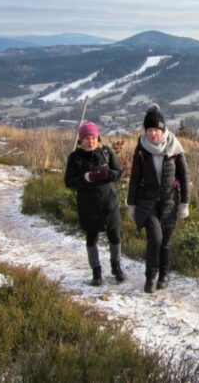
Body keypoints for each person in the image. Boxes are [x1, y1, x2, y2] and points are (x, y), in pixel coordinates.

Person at [127, 104, 190, 293]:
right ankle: (150, 277)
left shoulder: (175, 149)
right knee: (155, 238)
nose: (153, 134)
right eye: (149, 130)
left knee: (166, 241)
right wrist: (131, 204)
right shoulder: (141, 151)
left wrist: (185, 203)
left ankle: (164, 275)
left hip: (170, 202)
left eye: (156, 130)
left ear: (163, 130)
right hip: (147, 203)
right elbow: (135, 178)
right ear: (145, 131)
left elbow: (185, 177)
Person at [64, 120, 126, 286]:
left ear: (98, 138)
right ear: (80, 140)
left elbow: (118, 172)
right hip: (88, 206)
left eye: (93, 137)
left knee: (115, 236)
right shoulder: (75, 157)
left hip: (109, 203)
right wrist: (86, 178)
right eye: (86, 138)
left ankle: (116, 267)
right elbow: (69, 181)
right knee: (92, 239)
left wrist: (106, 174)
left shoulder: (106, 152)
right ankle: (96, 272)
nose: (90, 140)